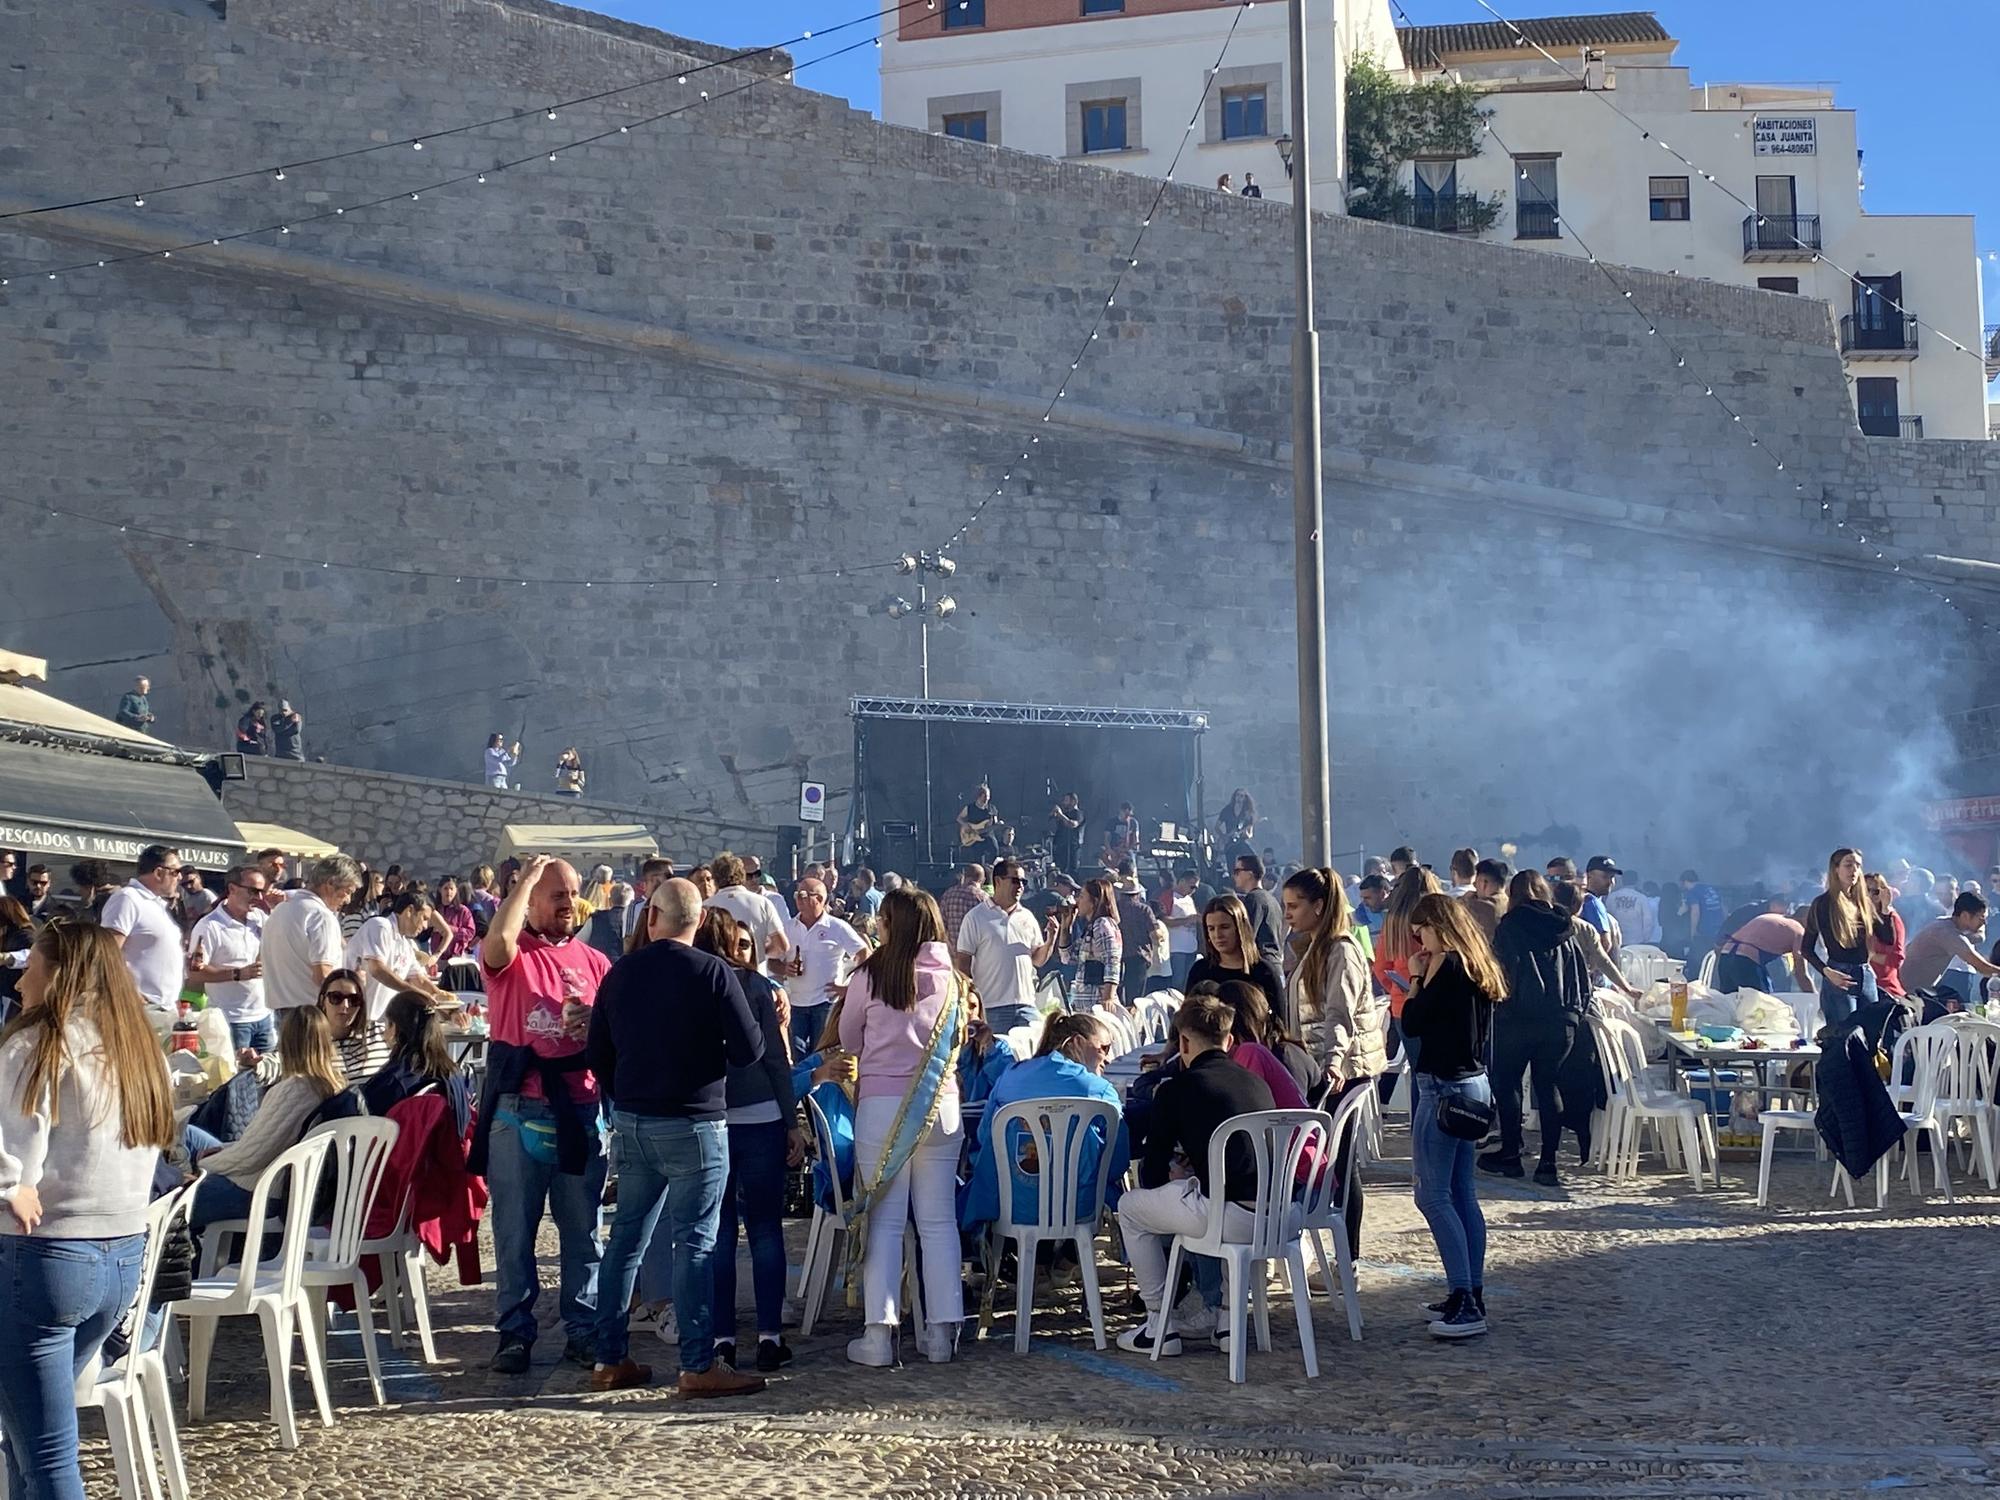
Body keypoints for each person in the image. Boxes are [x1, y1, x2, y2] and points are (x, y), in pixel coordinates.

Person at [0, 923, 174, 1500]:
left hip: (47, 1254)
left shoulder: (39, 1042)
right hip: (120, 1258)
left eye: (33, 965)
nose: (21, 977)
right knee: (28, 1439)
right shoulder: (136, 1050)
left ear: (59, 973)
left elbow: (10, 1146)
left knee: (48, 1457)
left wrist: (8, 1185)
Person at [471, 854, 610, 1376]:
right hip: (520, 1108)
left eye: (573, 892)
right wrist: (526, 879)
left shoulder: (595, 962)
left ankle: (584, 1329)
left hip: (580, 1107)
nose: (568, 902)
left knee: (583, 1233)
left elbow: (618, 1033)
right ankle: (514, 1332)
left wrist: (596, 1024)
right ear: (528, 901)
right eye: (556, 893)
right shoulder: (512, 955)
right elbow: (497, 943)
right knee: (514, 1232)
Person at [838, 888, 967, 1367]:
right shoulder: (953, 979)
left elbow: (850, 1039)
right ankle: (941, 1334)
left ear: (891, 924)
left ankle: (879, 1333)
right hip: (941, 1103)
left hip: (882, 1106)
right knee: (938, 1224)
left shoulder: (870, 975)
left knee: (886, 1223)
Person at [1113, 992, 1274, 1358]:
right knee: (1216, 1196)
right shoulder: (1255, 1083)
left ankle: (1158, 1323)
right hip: (1275, 1215)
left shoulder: (1176, 1089)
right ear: (1229, 1041)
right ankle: (1228, 1322)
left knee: (1132, 1209)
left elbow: (1151, 1174)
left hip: (1226, 1216)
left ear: (1183, 1041)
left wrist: (1176, 1176)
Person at [691, 910, 796, 1376]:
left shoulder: (694, 985)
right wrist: (792, 1120)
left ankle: (723, 1339)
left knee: (720, 1234)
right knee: (766, 1229)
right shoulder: (759, 989)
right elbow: (776, 1060)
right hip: (761, 1115)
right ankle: (771, 1336)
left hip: (711, 1116)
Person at [1400, 892, 1504, 1340]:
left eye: (1420, 930)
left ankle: (1464, 1298)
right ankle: (1470, 1291)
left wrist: (1417, 980)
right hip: (1474, 1083)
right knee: (1463, 1193)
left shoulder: (1446, 965)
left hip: (1442, 1087)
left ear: (1436, 927)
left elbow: (1415, 1022)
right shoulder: (1478, 966)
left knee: (1433, 1196)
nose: (1417, 941)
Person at [960, 1011, 1127, 1237]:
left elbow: (983, 1136)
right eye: (1104, 1048)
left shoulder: (1010, 1077)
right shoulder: (1099, 1090)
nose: (1108, 1058)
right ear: (1078, 1042)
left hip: (1006, 1205)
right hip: (1076, 1209)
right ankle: (1068, 1259)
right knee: (1105, 1187)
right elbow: (1117, 1161)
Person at [186, 1005, 344, 1233]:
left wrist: (201, 1166)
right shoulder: (333, 1085)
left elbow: (250, 1156)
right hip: (270, 1176)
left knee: (173, 1197)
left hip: (261, 1189)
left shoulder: (296, 1090)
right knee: (191, 1134)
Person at [1486, 870, 1589, 1186]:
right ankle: (1548, 1163)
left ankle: (1511, 1155)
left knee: (1508, 1085)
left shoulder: (1509, 927)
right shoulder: (1564, 927)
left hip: (1516, 1018)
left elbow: (1499, 972)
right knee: (1548, 1087)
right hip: (1559, 1022)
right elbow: (1579, 976)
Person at [1283, 868, 1382, 1096]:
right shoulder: (1312, 948)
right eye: (1286, 906)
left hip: (1342, 1074)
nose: (1287, 914)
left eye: (1294, 906)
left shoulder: (1341, 950)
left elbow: (1339, 1011)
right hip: (1318, 1065)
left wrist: (1333, 1061)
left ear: (1318, 906)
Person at [954, 858, 1061, 1034]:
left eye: (1023, 882)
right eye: (1015, 880)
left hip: (1026, 1005)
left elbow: (1038, 960)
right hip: (992, 1006)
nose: (1020, 886)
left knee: (1029, 1058)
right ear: (998, 881)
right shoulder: (975, 917)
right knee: (995, 1059)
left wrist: (1051, 939)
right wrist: (969, 999)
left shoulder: (1027, 917)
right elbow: (963, 962)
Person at [187, 865, 273, 1056]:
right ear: (232, 889)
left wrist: (276, 907)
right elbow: (194, 973)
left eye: (262, 892)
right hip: (229, 1019)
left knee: (270, 1076)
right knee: (235, 1080)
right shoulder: (209, 926)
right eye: (253, 891)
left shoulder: (260, 918)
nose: (259, 898)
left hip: (264, 1015)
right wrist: (237, 974)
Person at [781, 876, 869, 1060]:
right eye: (797, 894)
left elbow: (864, 954)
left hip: (825, 1003)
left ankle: (819, 1088)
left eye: (804, 895)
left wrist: (850, 987)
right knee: (796, 1056)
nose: (798, 899)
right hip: (796, 1002)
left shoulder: (837, 927)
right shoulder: (788, 927)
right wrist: (784, 968)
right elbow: (772, 958)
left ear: (820, 899)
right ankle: (802, 1088)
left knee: (821, 1055)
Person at [262, 855, 363, 1013]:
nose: (348, 900)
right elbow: (323, 974)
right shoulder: (320, 916)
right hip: (312, 1011)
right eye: (347, 891)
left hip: (281, 1010)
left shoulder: (281, 909)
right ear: (330, 883)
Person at [98, 845, 186, 1016]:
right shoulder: (128, 898)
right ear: (159, 873)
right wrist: (130, 991)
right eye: (175, 872)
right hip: (137, 1007)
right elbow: (107, 951)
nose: (180, 877)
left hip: (162, 1008)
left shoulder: (155, 904)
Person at [1800, 848, 1882, 1028]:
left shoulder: (1863, 902)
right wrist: (1826, 971)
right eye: (1848, 865)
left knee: (1873, 1032)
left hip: (1865, 973)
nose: (1853, 870)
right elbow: (1806, 948)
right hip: (1839, 973)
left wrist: (1886, 908)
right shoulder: (1823, 903)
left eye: (1858, 866)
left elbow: (1887, 938)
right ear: (1836, 869)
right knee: (1845, 1035)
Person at [344, 890, 454, 1022]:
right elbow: (377, 969)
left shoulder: (406, 944)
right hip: (357, 1018)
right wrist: (414, 993)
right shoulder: (380, 926)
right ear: (410, 911)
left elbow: (420, 981)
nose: (425, 926)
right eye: (424, 918)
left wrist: (449, 1005)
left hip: (382, 1024)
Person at [1186, 893, 1286, 1022]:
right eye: (1211, 929)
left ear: (1240, 927)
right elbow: (1187, 1021)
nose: (1218, 935)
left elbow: (1280, 1023)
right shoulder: (1200, 970)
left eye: (1224, 927)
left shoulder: (1264, 972)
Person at [1900, 891, 2000, 1009]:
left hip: (1918, 991)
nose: (1984, 923)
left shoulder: (1944, 925)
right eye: (1981, 917)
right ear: (1965, 916)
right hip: (1909, 995)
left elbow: (1978, 937)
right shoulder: (1948, 934)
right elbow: (1983, 968)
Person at [1551, 882, 1643, 1001]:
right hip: (1576, 991)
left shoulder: (1541, 925)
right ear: (1576, 905)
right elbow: (1603, 961)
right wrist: (1627, 989)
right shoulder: (1584, 928)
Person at [704, 852, 789, 978]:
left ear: (715, 878)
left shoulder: (705, 907)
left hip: (718, 978)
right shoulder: (763, 903)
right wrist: (759, 950)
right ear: (742, 875)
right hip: (755, 977)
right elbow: (782, 946)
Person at [1713, 895, 1811, 995]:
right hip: (1745, 962)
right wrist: (1815, 998)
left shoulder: (1773, 917)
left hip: (1725, 956)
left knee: (1730, 1002)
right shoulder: (1799, 931)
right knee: (1761, 1004)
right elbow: (1801, 974)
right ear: (1806, 919)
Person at [318, 969, 391, 1098]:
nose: (345, 1006)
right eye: (336, 997)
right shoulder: (311, 1041)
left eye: (353, 999)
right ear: (323, 1000)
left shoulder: (380, 1033)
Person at [1065, 877, 1124, 1012]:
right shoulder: (1090, 927)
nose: (1077, 901)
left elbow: (1112, 961)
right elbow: (1068, 958)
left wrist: (1107, 997)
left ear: (1094, 902)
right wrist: (1066, 926)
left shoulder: (1103, 924)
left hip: (1097, 1002)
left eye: (1082, 896)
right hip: (1085, 1003)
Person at [1229, 853, 1285, 971]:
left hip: (1261, 966)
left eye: (1237, 871)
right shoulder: (1271, 899)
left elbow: (1247, 935)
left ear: (1250, 874)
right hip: (1275, 964)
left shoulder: (1253, 899)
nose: (1234, 875)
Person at [1865, 872, 1907, 999]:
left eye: (1876, 892)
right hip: (1860, 985)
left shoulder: (1892, 919)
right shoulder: (1858, 916)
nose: (1870, 895)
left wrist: (1869, 955)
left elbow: (1896, 960)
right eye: (1865, 890)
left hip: (1885, 988)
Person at [1161, 868, 1201, 992]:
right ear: (1182, 881)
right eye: (1191, 887)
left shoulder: (1189, 899)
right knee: (1177, 982)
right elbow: (1164, 920)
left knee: (1188, 981)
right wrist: (1187, 920)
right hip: (1176, 948)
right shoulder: (1168, 896)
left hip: (1191, 947)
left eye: (1195, 888)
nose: (1193, 890)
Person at [1678, 869, 1726, 961]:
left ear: (1684, 882)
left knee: (1702, 958)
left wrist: (1693, 932)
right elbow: (1723, 906)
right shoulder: (1711, 889)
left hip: (1705, 930)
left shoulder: (1692, 892)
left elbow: (1695, 912)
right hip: (1719, 928)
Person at [1461, 858, 1509, 941]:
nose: (1475, 886)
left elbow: (1452, 915)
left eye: (1476, 882)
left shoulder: (1479, 907)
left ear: (1484, 883)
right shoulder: (1510, 903)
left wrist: (1463, 900)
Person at [956, 784, 1004, 869]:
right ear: (979, 795)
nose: (987, 798)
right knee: (977, 858)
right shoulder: (970, 808)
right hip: (973, 836)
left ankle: (990, 868)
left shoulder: (992, 808)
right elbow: (959, 818)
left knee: (995, 849)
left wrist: (998, 824)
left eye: (988, 796)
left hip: (988, 834)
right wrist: (965, 825)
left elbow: (995, 823)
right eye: (985, 796)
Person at [0, 898, 31, 1026]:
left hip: (20, 1005)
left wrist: (7, 958)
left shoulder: (24, 936)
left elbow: (30, 955)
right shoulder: (8, 937)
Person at [434, 875, 478, 962]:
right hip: (438, 957)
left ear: (456, 890)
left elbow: (470, 933)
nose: (448, 891)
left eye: (451, 888)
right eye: (445, 888)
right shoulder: (435, 910)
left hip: (457, 957)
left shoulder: (463, 911)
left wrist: (449, 929)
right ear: (440, 890)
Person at [939, 864, 988, 941]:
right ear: (983, 880)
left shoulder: (948, 895)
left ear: (964, 876)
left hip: (952, 950)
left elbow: (941, 925)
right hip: (976, 950)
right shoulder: (984, 898)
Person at [1216, 790, 1257, 867]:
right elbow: (1217, 826)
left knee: (1252, 859)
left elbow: (1250, 833)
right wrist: (1224, 836)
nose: (1239, 798)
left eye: (1242, 796)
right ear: (1234, 796)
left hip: (1241, 841)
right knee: (1231, 867)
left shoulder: (1247, 813)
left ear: (1245, 798)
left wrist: (1245, 834)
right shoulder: (1227, 810)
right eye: (1237, 795)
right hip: (1229, 843)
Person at [1046, 793, 1085, 875]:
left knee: (1072, 871)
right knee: (1059, 869)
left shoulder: (1078, 814)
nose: (1064, 802)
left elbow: (1072, 824)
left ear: (1074, 801)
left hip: (1072, 847)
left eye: (1066, 800)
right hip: (1061, 847)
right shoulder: (1065, 814)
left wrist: (1061, 814)